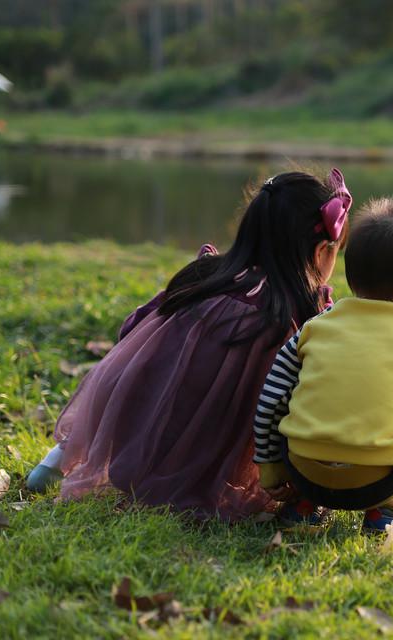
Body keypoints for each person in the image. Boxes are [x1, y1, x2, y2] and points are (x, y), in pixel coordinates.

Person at [25, 169, 352, 521]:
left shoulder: (202, 279)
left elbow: (132, 336)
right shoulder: (293, 318)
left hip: (141, 432)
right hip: (217, 446)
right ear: (321, 251)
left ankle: (58, 458)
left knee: (138, 375)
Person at [252, 198, 393, 532]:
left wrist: (269, 465)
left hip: (305, 473)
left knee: (298, 396)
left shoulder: (314, 328)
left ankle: (304, 508)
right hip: (377, 481)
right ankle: (388, 512)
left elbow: (270, 400)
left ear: (352, 277)